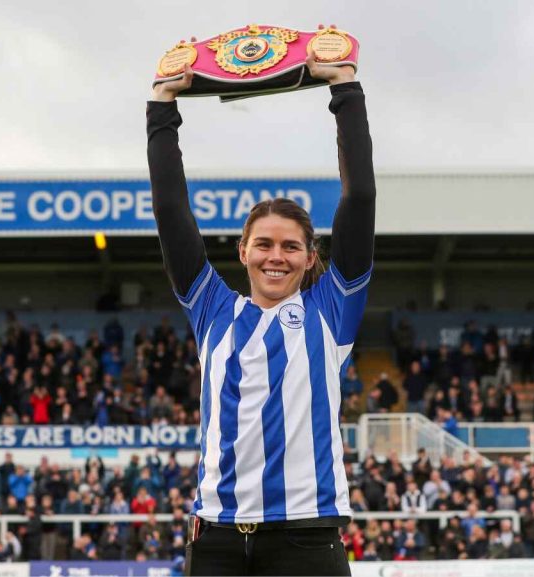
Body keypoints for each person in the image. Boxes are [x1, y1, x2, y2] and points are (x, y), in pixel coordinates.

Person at [147, 52, 375, 576]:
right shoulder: (212, 309)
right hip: (217, 542)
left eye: (292, 247)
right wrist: (162, 105)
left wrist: (345, 91)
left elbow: (359, 196)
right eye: (265, 244)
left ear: (312, 257)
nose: (277, 256)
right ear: (243, 251)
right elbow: (169, 211)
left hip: (307, 538)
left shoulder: (330, 309)